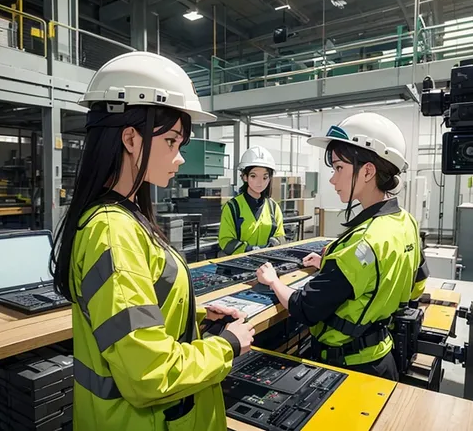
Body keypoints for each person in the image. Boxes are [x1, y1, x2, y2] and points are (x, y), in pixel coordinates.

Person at [50, 52, 255, 431]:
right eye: (173, 141)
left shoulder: (127, 218)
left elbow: (137, 317)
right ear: (130, 138)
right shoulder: (112, 232)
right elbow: (149, 375)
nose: (178, 158)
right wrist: (226, 345)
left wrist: (195, 319)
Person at [256, 112, 430, 381]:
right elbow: (416, 284)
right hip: (384, 358)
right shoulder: (406, 222)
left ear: (368, 171)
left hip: (348, 367)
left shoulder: (362, 242)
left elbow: (304, 307)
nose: (332, 179)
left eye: (339, 168)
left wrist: (273, 281)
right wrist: (333, 266)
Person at [218, 146, 285, 255]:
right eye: (254, 176)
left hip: (268, 263)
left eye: (265, 177)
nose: (260, 182)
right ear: (245, 177)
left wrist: (274, 244)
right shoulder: (233, 207)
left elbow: (280, 236)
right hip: (239, 265)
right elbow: (226, 241)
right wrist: (249, 250)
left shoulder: (273, 207)